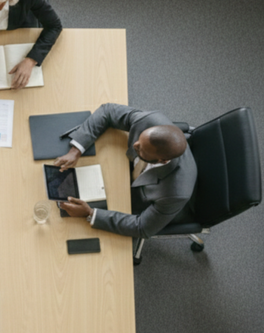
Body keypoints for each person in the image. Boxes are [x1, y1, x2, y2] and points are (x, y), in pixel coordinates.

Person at [52, 103, 196, 240]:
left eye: (141, 149)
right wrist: (75, 151)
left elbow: (142, 228)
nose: (134, 145)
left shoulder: (176, 194)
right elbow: (108, 111)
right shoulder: (152, 121)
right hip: (124, 175)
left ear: (162, 160)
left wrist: (90, 213)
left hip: (142, 199)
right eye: (139, 140)